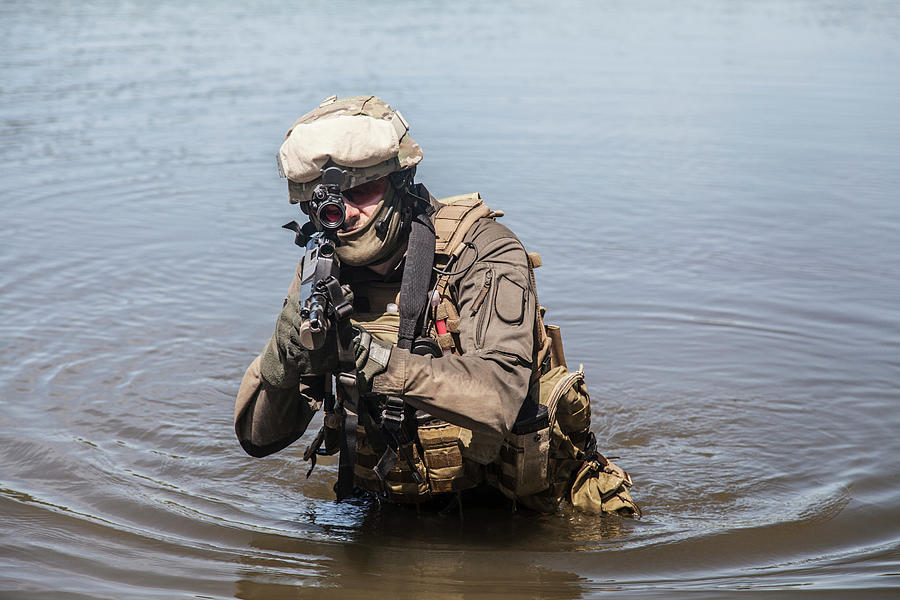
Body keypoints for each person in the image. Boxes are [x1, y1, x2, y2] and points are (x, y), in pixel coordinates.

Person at [233, 94, 639, 516]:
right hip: (397, 506)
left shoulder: (480, 251)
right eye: (328, 201)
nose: (345, 214)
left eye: (363, 190)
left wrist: (373, 359)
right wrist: (281, 360)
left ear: (399, 181)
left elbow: (499, 396)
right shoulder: (322, 271)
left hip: (525, 510)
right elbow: (258, 441)